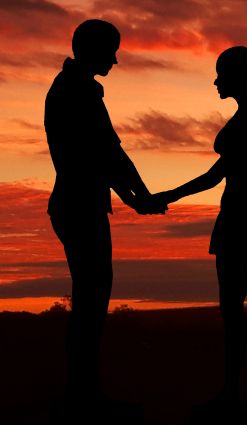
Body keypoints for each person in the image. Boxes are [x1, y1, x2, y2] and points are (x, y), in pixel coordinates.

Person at [152, 46, 247, 409]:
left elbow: (215, 175)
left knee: (232, 312)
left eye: (221, 75)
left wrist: (169, 194)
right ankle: (240, 391)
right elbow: (219, 174)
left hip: (241, 216)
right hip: (236, 214)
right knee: (231, 312)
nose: (215, 81)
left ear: (236, 77)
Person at [44, 19, 166, 405]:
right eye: (111, 51)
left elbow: (105, 156)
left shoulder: (75, 88)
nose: (115, 60)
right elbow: (107, 153)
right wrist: (140, 195)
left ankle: (83, 391)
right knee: (92, 304)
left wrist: (134, 197)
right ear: (92, 50)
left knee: (91, 301)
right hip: (79, 206)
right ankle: (83, 395)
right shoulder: (77, 90)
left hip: (78, 203)